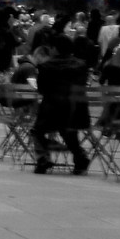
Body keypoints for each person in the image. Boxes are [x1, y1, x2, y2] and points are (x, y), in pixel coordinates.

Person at [25, 31, 91, 175]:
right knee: (68, 131)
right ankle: (80, 157)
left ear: (55, 48)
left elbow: (42, 89)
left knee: (37, 131)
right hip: (78, 111)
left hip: (52, 110)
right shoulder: (81, 65)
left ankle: (43, 157)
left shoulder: (46, 66)